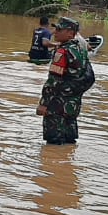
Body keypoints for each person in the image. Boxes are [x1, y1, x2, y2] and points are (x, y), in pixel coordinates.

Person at [36, 16, 95, 145]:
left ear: (70, 33)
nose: (55, 32)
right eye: (56, 29)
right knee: (69, 142)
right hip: (73, 105)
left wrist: (43, 103)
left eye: (59, 29)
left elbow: (53, 80)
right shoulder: (81, 50)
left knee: (53, 145)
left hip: (57, 106)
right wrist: (75, 94)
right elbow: (89, 77)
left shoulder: (62, 51)